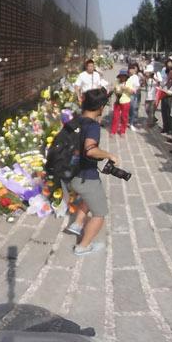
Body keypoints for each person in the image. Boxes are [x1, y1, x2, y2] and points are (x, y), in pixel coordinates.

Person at [66, 89, 120, 256]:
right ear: (101, 107)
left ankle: (77, 224)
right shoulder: (92, 126)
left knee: (89, 198)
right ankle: (83, 246)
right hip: (86, 177)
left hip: (73, 174)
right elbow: (90, 150)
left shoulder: (76, 120)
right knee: (100, 213)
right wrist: (109, 155)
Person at [111, 72, 132, 136]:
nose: (122, 77)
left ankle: (122, 131)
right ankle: (113, 131)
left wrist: (125, 88)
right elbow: (113, 89)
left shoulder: (129, 82)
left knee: (124, 117)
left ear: (126, 77)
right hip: (117, 101)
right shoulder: (116, 81)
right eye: (121, 76)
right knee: (115, 117)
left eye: (124, 76)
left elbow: (132, 92)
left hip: (125, 102)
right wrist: (113, 90)